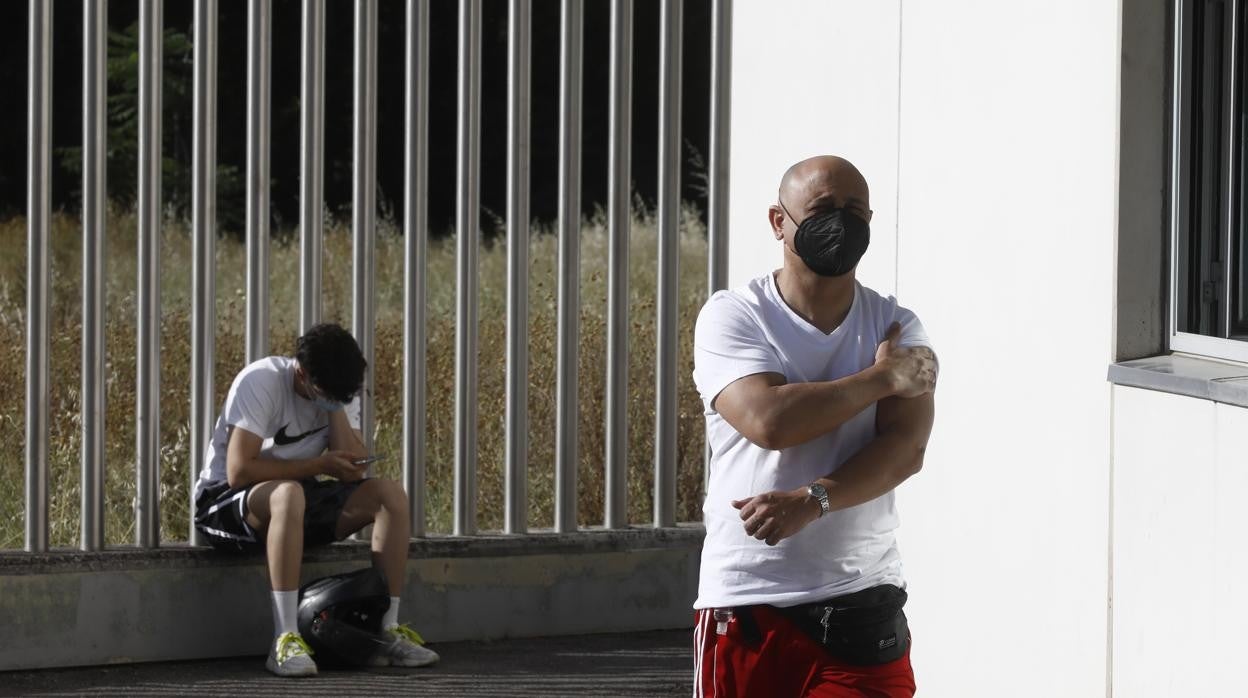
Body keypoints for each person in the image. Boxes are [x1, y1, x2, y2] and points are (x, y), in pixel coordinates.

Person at [691, 155, 938, 697]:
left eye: (855, 210)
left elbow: (905, 449)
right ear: (780, 221)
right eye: (823, 209)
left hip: (861, 602)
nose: (841, 222)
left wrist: (812, 500)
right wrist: (880, 379)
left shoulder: (895, 325)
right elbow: (769, 420)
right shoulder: (733, 315)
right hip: (750, 600)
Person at [193, 322, 439, 677]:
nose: (338, 400)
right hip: (224, 505)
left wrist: (334, 408)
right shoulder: (261, 381)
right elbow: (239, 471)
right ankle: (285, 638)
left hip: (292, 501)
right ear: (303, 373)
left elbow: (353, 466)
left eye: (345, 396)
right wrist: (319, 464)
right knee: (289, 494)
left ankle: (386, 630)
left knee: (390, 495)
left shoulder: (336, 393)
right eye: (329, 393)